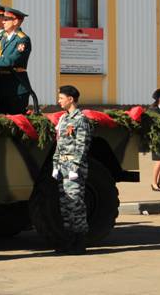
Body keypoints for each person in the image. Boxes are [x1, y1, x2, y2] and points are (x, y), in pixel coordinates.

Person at [52, 85, 92, 255]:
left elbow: (82, 145)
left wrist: (75, 167)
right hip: (63, 167)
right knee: (65, 206)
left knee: (76, 205)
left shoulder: (80, 119)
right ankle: (69, 240)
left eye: (61, 98)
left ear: (70, 99)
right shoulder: (63, 119)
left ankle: (80, 242)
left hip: (74, 169)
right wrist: (55, 165)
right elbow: (59, 144)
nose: (58, 101)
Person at [0, 7, 32, 115]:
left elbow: (11, 61)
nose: (3, 21)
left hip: (16, 87)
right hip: (1, 85)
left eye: (6, 19)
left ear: (15, 21)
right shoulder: (2, 38)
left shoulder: (22, 39)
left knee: (16, 119)